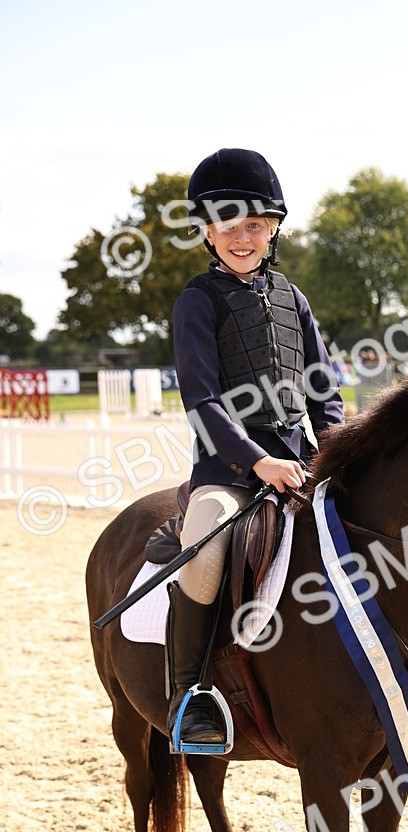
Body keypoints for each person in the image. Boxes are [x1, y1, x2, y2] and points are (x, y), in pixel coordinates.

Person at [168, 148, 344, 749]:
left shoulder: (294, 299)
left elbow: (323, 386)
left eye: (255, 225)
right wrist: (257, 461)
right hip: (230, 472)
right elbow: (202, 399)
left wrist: (335, 449)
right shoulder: (198, 300)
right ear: (207, 232)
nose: (242, 238)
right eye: (228, 226)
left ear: (273, 229)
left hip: (302, 465)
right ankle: (188, 696)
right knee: (206, 545)